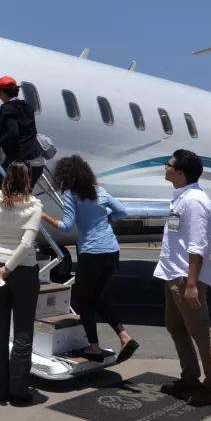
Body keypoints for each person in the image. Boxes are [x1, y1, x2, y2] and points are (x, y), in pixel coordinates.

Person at [42, 155, 138, 363]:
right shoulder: (99, 191)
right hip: (111, 250)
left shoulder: (72, 194)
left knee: (83, 299)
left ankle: (95, 348)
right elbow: (123, 211)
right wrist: (108, 217)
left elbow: (66, 227)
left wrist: (43, 216)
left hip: (92, 253)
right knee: (94, 297)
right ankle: (124, 337)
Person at [155, 149, 211, 407]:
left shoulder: (194, 201)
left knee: (201, 332)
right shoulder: (182, 198)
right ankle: (190, 378)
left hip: (187, 277)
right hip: (174, 274)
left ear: (180, 173)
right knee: (176, 327)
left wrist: (192, 284)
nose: (165, 167)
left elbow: (198, 246)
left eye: (169, 164)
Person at [0, 161, 43, 405]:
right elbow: (26, 243)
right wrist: (8, 269)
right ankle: (19, 390)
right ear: (27, 179)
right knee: (23, 330)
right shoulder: (33, 206)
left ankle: (2, 389)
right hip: (23, 270)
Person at [0, 76, 45, 195]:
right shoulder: (28, 107)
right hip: (37, 161)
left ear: (2, 92)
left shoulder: (7, 108)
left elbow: (13, 133)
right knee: (23, 198)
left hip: (20, 161)